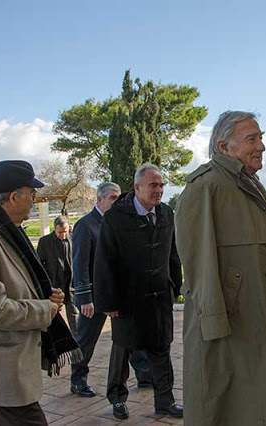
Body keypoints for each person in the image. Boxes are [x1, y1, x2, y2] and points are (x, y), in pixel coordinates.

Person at [175, 111, 266, 425]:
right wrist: (214, 330)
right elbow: (199, 268)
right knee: (230, 411)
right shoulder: (206, 187)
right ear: (225, 147)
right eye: (251, 138)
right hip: (229, 333)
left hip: (256, 326)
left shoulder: (248, 185)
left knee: (259, 408)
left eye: (261, 137)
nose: (262, 146)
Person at [0, 160, 80, 425]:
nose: (34, 200)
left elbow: (16, 280)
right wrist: (46, 309)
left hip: (8, 368)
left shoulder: (1, 229)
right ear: (13, 197)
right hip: (2, 369)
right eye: (31, 193)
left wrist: (44, 296)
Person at [94, 163, 183, 420]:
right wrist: (108, 301)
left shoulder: (166, 213)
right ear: (137, 187)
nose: (159, 190)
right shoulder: (115, 217)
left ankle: (165, 401)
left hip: (159, 298)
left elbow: (172, 254)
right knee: (123, 350)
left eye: (162, 185)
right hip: (127, 300)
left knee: (161, 349)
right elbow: (104, 261)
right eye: (153, 185)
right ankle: (117, 399)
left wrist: (174, 286)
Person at [70, 182, 151, 410]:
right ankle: (78, 380)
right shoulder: (85, 225)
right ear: (99, 200)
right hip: (94, 298)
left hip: (119, 295)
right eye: (113, 198)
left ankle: (144, 374)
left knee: (130, 336)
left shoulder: (119, 223)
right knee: (85, 341)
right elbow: (80, 263)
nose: (117, 202)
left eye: (118, 198)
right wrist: (85, 297)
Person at [37, 215, 77, 335]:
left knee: (73, 312)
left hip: (70, 282)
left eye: (65, 232)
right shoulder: (45, 242)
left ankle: (76, 338)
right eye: (60, 232)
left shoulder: (73, 239)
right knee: (53, 313)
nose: (63, 235)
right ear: (54, 228)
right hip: (54, 283)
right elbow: (40, 263)